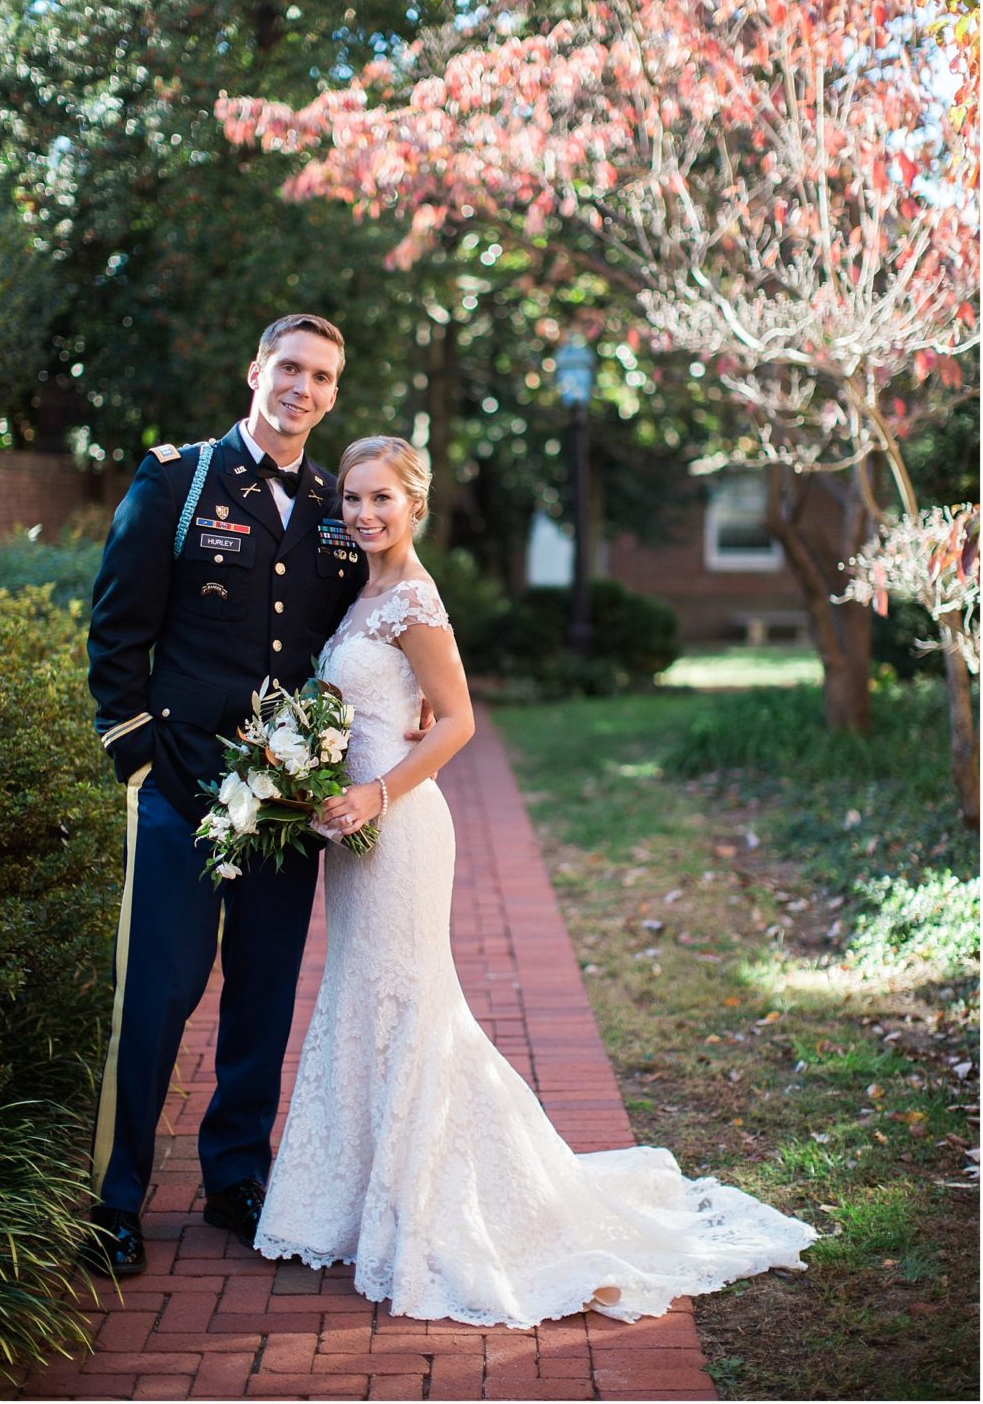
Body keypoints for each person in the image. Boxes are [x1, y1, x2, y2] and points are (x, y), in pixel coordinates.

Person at [252, 435, 817, 1328]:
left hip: (398, 829)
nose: (362, 514)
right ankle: (368, 1200)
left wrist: (374, 793)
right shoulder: (363, 591)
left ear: (416, 505)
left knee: (409, 1001)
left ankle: (449, 1205)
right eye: (352, 499)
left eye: (381, 500)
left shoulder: (414, 598)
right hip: (354, 833)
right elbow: (390, 706)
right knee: (363, 996)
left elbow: (460, 721)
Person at [83, 314, 371, 1277]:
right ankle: (115, 1200)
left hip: (287, 799)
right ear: (256, 371)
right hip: (182, 786)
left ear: (333, 394)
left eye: (323, 377)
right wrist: (134, 758)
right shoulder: (180, 478)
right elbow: (118, 627)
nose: (305, 388)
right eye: (291, 368)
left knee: (261, 995)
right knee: (159, 993)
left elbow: (356, 640)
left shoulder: (337, 505)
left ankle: (235, 1181)